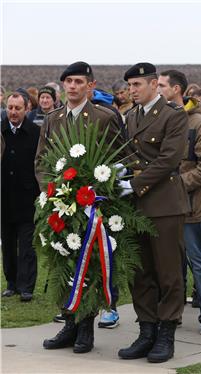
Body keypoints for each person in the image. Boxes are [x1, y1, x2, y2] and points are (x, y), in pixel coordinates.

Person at [38, 61, 121, 354]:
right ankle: (70, 324)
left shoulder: (104, 116)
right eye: (68, 81)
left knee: (90, 265)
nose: (72, 86)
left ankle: (86, 328)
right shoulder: (53, 118)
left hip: (95, 204)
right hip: (61, 204)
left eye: (78, 81)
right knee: (63, 262)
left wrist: (102, 192)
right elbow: (42, 161)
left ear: (91, 86)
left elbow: (118, 157)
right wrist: (51, 194)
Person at [117, 63, 190, 363]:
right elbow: (125, 153)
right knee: (140, 272)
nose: (131, 91)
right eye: (130, 86)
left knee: (168, 273)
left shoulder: (173, 116)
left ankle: (166, 333)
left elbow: (168, 160)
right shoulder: (131, 116)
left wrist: (133, 184)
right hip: (137, 209)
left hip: (164, 204)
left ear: (152, 85)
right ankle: (146, 330)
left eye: (136, 85)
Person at [158, 69, 201, 335]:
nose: (157, 89)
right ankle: (173, 312)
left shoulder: (197, 123)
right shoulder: (159, 120)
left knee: (199, 261)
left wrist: (177, 186)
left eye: (161, 85)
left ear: (176, 90)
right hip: (164, 208)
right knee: (170, 263)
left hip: (191, 206)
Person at [1, 92, 40, 302]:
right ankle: (11, 283)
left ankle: (27, 286)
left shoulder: (35, 132)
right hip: (4, 198)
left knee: (27, 246)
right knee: (7, 245)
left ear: (27, 109)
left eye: (17, 108)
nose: (13, 112)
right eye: (10, 108)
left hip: (27, 199)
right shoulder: (1, 130)